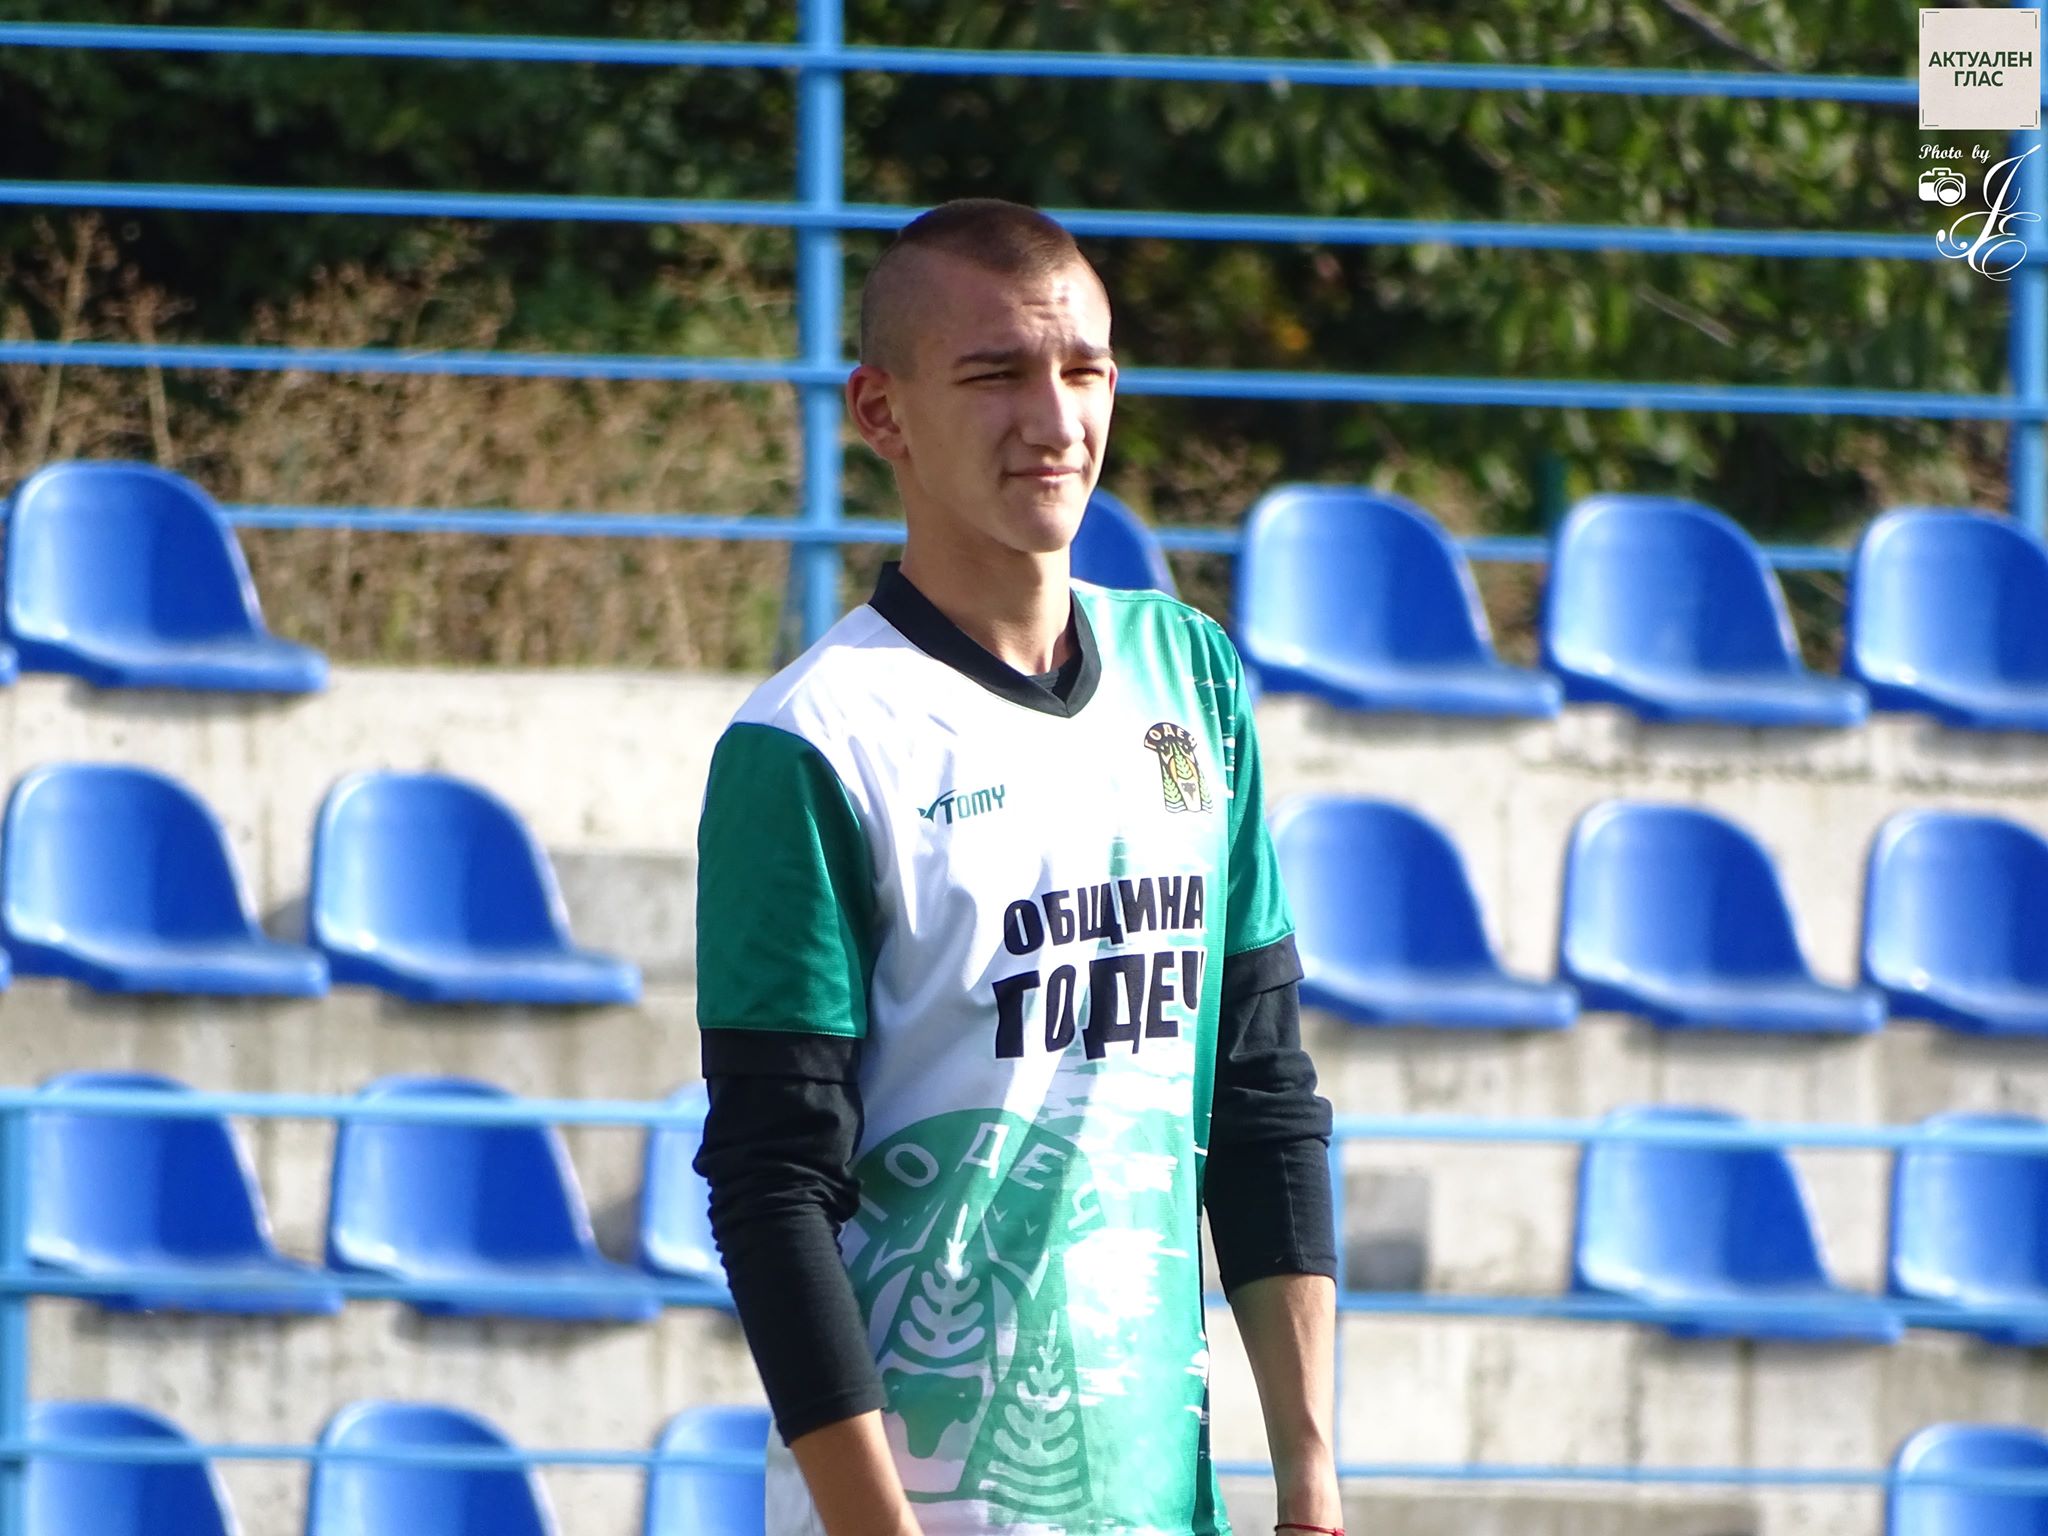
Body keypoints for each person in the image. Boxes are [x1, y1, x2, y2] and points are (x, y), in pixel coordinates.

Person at [693, 197, 1341, 1536]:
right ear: (882, 412)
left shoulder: (1192, 676)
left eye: (1083, 370)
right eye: (994, 375)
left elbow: (1262, 1096)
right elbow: (772, 1188)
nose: (1053, 421)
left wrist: (1310, 1482)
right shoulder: (812, 742)